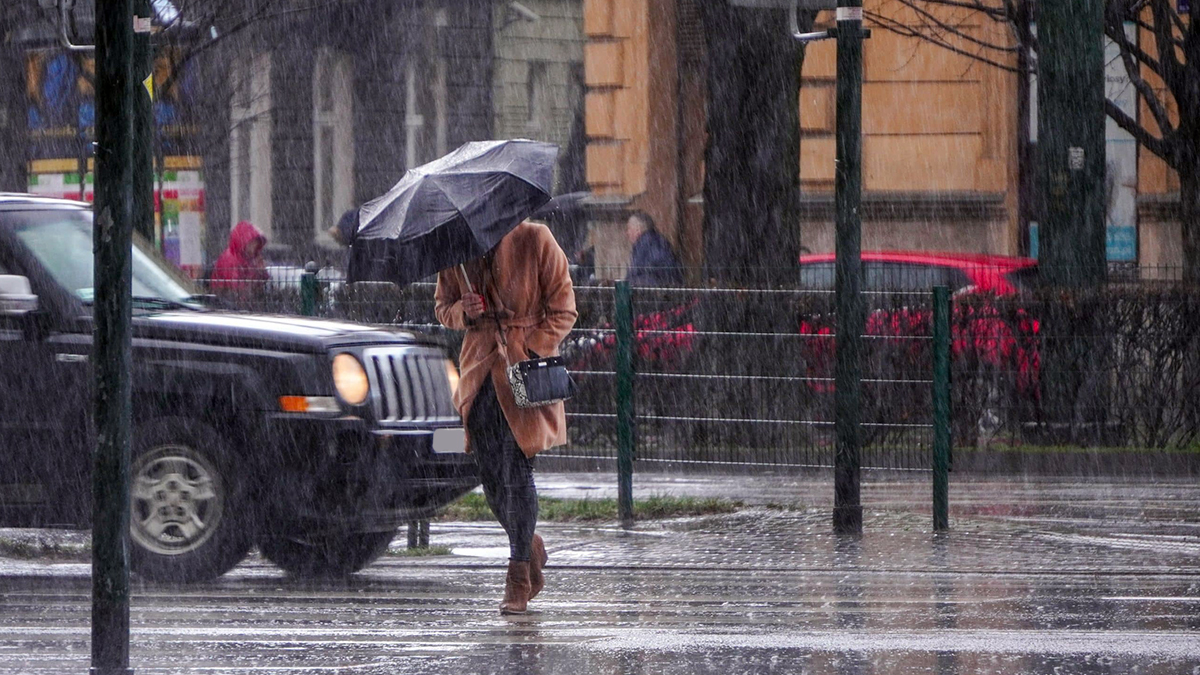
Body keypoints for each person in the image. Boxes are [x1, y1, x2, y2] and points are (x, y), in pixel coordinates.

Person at [434, 220, 578, 615]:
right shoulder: (456, 250)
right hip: (478, 374)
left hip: (523, 376)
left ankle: (517, 574)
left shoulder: (536, 238)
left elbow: (564, 309)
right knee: (491, 477)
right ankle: (529, 544)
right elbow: (442, 308)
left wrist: (530, 346)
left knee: (516, 471)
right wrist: (463, 311)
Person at [210, 221, 268, 298]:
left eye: (256, 243)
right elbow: (238, 289)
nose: (255, 246)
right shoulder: (230, 260)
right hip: (227, 303)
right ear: (244, 242)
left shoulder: (249, 259)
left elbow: (258, 285)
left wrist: (261, 272)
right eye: (252, 243)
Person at [625, 210, 683, 286]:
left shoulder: (645, 245)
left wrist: (626, 284)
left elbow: (637, 273)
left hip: (656, 291)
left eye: (629, 228)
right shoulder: (654, 241)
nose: (627, 233)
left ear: (638, 229)